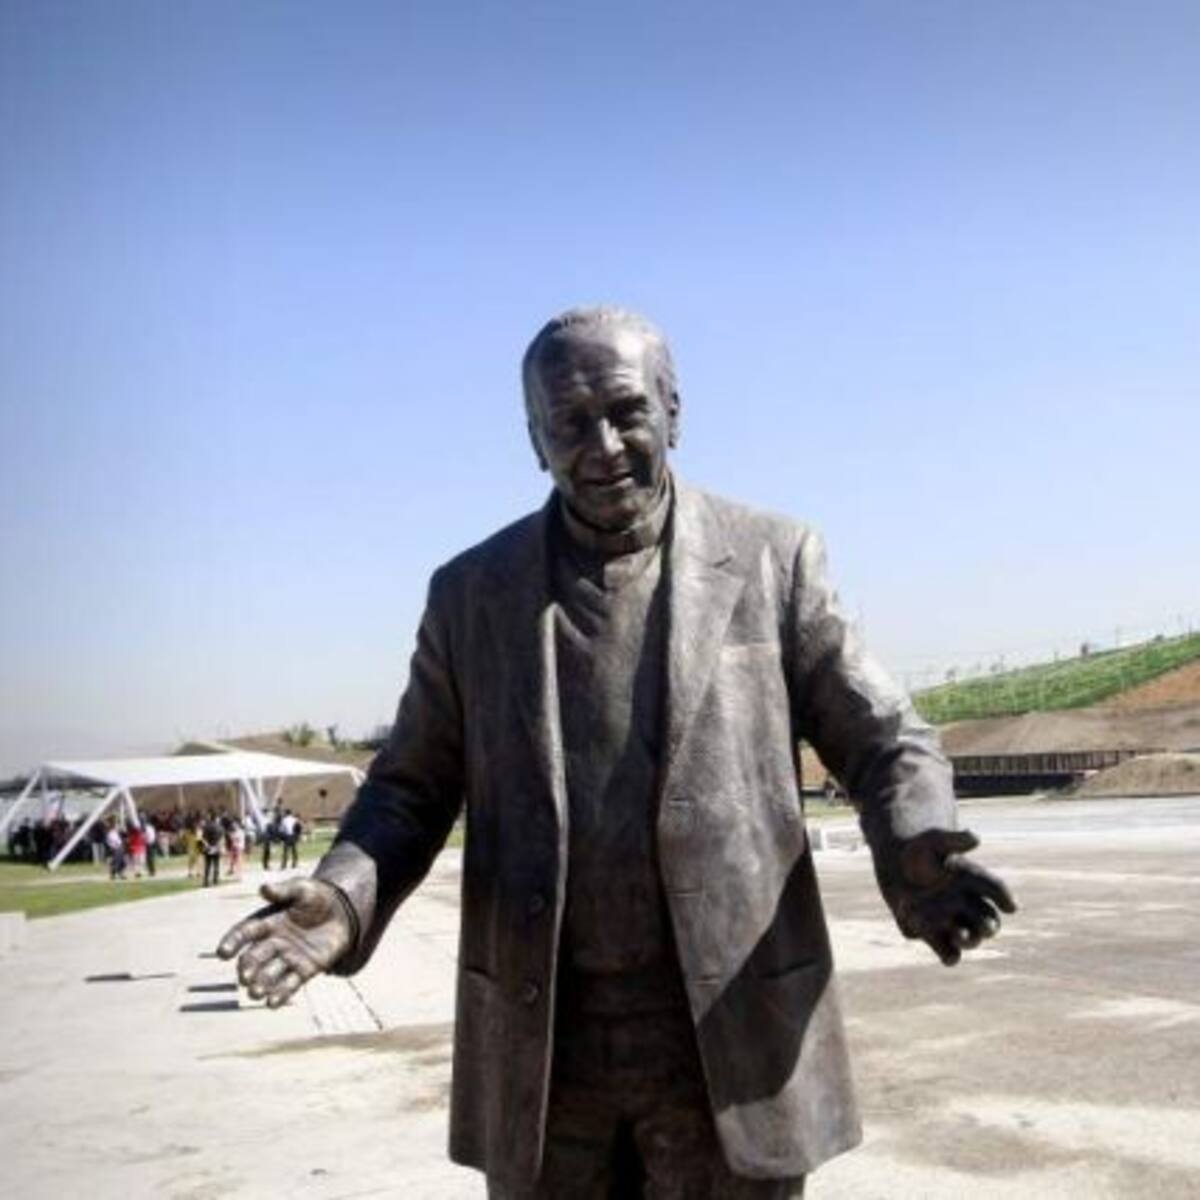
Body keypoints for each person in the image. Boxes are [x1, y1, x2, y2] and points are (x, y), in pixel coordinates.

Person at [220, 308, 1015, 1198]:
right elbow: (407, 790)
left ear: (674, 410)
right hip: (546, 1054)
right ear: (534, 440)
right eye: (568, 423)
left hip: (729, 1040)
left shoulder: (773, 560)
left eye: (627, 412)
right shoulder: (471, 596)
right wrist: (342, 898)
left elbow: (883, 736)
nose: (601, 446)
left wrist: (916, 848)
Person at [200, 812, 223, 888]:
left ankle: (206, 881)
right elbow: (221, 839)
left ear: (210, 818)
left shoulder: (206, 827)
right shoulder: (220, 827)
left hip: (208, 848)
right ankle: (215, 880)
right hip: (216, 847)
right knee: (216, 864)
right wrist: (217, 846)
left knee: (207, 865)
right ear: (216, 819)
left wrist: (208, 846)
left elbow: (203, 838)